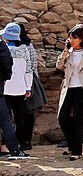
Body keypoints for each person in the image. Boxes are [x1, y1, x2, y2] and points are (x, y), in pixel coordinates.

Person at [56, 25, 83, 161]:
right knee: (62, 117)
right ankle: (71, 144)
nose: (71, 40)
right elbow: (59, 66)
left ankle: (77, 151)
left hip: (82, 88)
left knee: (78, 120)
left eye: (74, 37)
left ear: (81, 39)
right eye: (70, 37)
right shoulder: (68, 51)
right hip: (68, 87)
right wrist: (65, 53)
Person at [2, 23, 33, 157]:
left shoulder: (4, 50)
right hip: (20, 88)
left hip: (5, 89)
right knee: (19, 118)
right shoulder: (25, 50)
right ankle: (19, 144)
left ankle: (5, 145)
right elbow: (28, 70)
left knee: (6, 119)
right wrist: (28, 87)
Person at [17, 23, 45, 152]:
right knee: (28, 113)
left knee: (21, 113)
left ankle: (21, 140)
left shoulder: (20, 46)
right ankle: (26, 141)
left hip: (21, 82)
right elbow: (34, 66)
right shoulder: (29, 45)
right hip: (29, 81)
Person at [0, 27, 25, 159]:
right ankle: (14, 150)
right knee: (5, 120)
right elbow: (6, 63)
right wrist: (4, 77)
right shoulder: (1, 46)